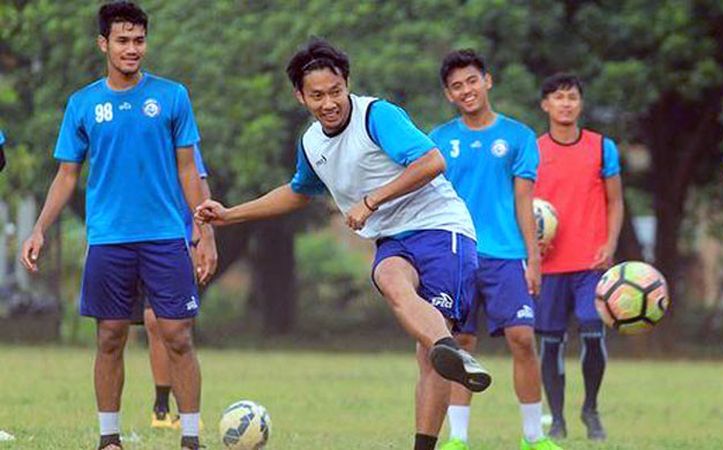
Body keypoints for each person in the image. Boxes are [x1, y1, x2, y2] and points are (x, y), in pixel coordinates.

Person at [194, 38, 492, 450]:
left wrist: (370, 201)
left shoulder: (377, 116)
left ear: (347, 83)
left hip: (443, 229)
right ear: (300, 96)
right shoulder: (312, 143)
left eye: (336, 91)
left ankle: (440, 366)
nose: (329, 102)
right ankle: (448, 348)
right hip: (393, 238)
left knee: (426, 358)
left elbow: (432, 162)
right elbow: (299, 191)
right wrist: (230, 214)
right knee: (389, 278)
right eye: (317, 95)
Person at [19, 3, 214, 449]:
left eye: (139, 40)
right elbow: (66, 175)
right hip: (108, 239)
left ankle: (189, 439)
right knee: (109, 336)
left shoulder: (172, 96)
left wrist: (206, 231)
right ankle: (109, 439)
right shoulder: (82, 103)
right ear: (103, 44)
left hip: (165, 236)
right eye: (122, 41)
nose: (132, 49)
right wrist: (40, 229)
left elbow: (190, 171)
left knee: (177, 335)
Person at [429, 49, 560, 450]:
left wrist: (533, 259)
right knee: (461, 346)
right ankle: (459, 439)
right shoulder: (438, 140)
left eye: (472, 81)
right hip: (456, 254)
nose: (466, 90)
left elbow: (525, 202)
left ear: (487, 81)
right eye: (456, 86)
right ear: (449, 95)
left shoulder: (519, 137)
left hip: (506, 256)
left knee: (523, 339)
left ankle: (534, 437)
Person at [532, 74, 623, 441]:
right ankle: (557, 419)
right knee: (550, 342)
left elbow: (615, 201)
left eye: (572, 97)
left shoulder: (602, 148)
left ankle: (591, 408)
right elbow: (522, 204)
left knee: (591, 329)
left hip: (591, 263)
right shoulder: (533, 150)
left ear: (580, 104)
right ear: (546, 105)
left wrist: (611, 244)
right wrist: (530, 245)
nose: (566, 103)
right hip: (549, 265)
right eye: (558, 97)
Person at [133, 144, 216, 430]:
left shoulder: (181, 134)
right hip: (135, 238)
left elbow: (198, 181)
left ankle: (186, 412)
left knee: (174, 326)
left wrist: (199, 235)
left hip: (175, 241)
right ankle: (160, 407)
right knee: (152, 322)